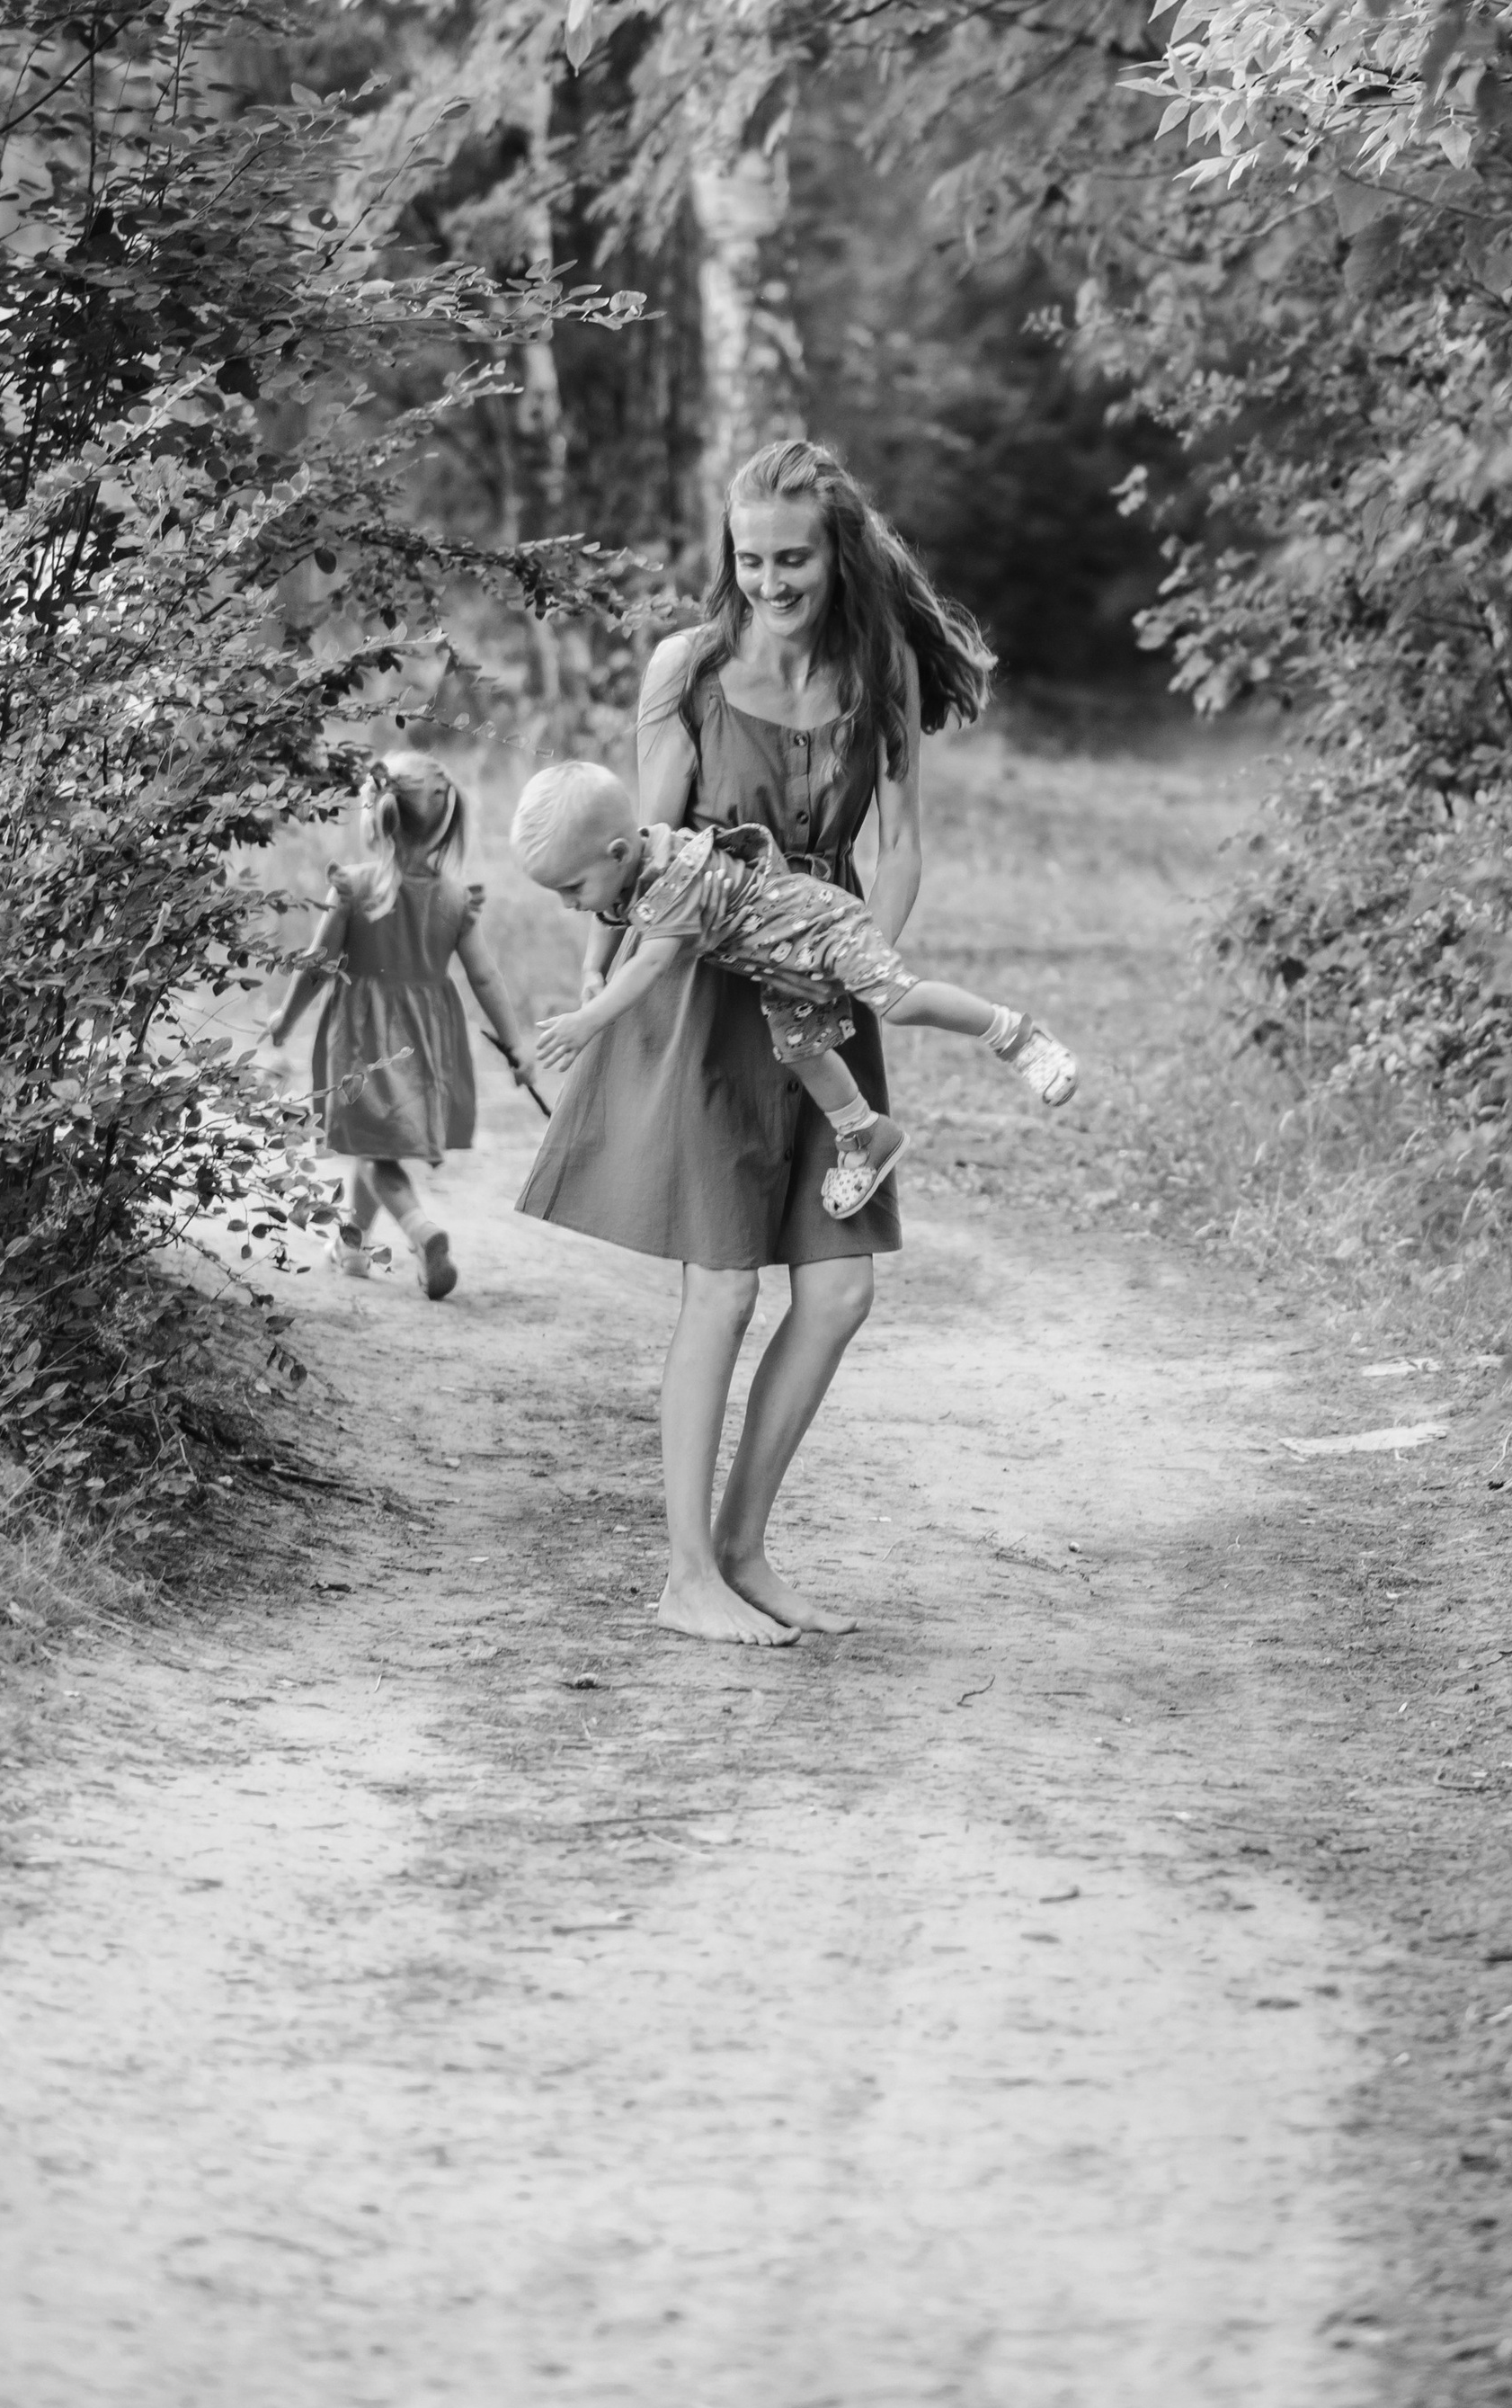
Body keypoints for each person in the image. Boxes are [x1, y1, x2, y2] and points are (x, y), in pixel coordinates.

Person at [514, 435, 994, 1646]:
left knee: (837, 1292)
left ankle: (740, 1549)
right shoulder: (690, 667)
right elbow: (643, 850)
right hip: (709, 993)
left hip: (822, 978)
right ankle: (685, 1576)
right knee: (722, 1287)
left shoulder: (878, 669)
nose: (772, 579)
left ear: (836, 551)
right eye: (751, 557)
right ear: (728, 554)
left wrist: (865, 971)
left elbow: (903, 845)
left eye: (794, 558)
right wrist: (600, 980)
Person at [511, 762, 1075, 1217]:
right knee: (801, 1050)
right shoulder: (633, 867)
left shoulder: (676, 881)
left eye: (571, 887)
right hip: (780, 968)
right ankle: (863, 1134)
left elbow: (649, 964)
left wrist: (589, 1020)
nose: (569, 902)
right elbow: (610, 916)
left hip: (820, 927)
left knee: (897, 1003)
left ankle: (1016, 1035)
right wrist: (590, 972)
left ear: (615, 853)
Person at [267, 745, 539, 1301]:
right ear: (444, 823)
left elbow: (318, 966)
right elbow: (485, 978)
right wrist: (516, 1044)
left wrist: (285, 1018)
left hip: (363, 1039)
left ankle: (420, 1230)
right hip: (426, 1042)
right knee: (374, 1144)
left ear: (377, 813)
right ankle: (351, 1245)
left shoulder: (355, 887)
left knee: (373, 1148)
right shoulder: (454, 897)